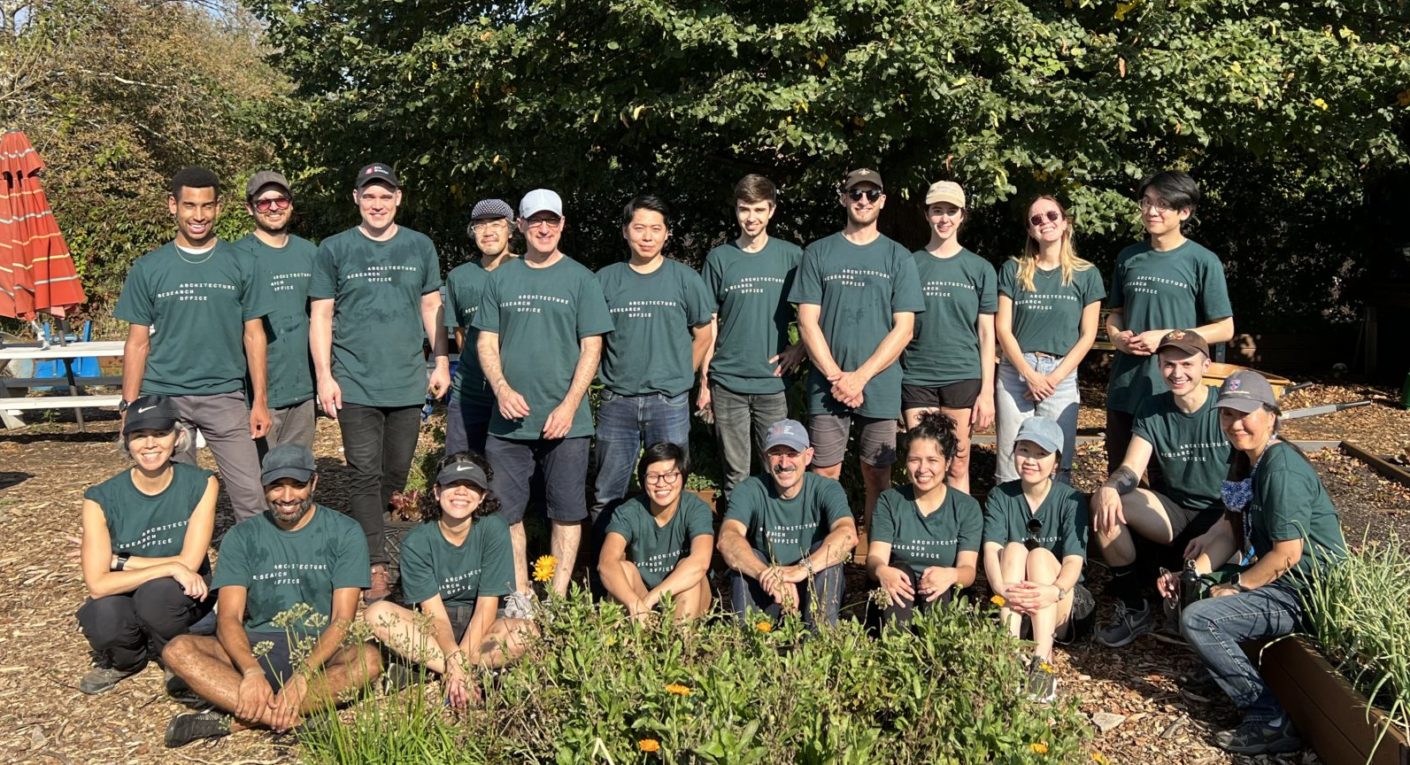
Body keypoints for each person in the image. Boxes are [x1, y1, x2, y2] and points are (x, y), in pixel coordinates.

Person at [160, 444, 381, 748]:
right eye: (277, 486)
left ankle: (237, 720)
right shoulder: (243, 536)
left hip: (321, 650)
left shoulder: (344, 532)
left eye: (297, 485)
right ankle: (296, 715)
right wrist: (251, 670)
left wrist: (304, 674)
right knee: (177, 651)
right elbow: (228, 617)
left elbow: (343, 619)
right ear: (263, 486)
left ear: (314, 483)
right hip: (257, 644)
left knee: (369, 660)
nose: (287, 496)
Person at [1172, 370, 1346, 755]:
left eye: (1245, 413)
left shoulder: (1280, 468)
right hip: (1283, 581)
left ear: (1271, 415)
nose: (1235, 423)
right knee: (1198, 589)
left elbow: (1288, 554)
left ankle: (1268, 718)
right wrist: (1191, 575)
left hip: (1307, 590)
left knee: (1201, 619)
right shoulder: (1250, 462)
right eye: (1227, 414)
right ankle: (1222, 671)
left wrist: (1237, 586)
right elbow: (1233, 532)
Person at [309, 162, 451, 603]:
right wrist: (324, 376)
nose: (377, 203)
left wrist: (442, 361)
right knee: (363, 473)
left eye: (385, 195)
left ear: (398, 198)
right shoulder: (334, 249)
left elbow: (432, 308)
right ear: (356, 199)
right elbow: (322, 316)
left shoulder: (419, 246)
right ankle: (373, 565)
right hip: (354, 382)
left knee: (395, 471)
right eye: (369, 196)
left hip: (407, 381)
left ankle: (388, 540)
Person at [475, 189, 614, 597]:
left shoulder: (581, 279)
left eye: (551, 220)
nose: (543, 227)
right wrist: (500, 389)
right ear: (519, 225)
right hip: (508, 422)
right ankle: (520, 598)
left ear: (562, 224)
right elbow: (486, 342)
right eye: (535, 220)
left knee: (568, 513)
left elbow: (592, 347)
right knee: (505, 513)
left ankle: (555, 600)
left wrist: (570, 406)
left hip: (566, 423)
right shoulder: (500, 278)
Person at [114, 166, 273, 523]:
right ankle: (185, 573)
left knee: (250, 495)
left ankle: (259, 572)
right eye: (189, 205)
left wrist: (259, 401)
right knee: (176, 498)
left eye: (206, 206)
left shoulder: (242, 263)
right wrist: (129, 402)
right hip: (164, 398)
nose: (198, 216)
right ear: (173, 205)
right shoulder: (149, 267)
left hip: (225, 395)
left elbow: (254, 334)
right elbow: (137, 342)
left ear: (218, 208)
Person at [789, 168, 924, 562]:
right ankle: (820, 561)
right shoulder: (818, 252)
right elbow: (807, 320)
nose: (863, 200)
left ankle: (872, 562)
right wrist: (836, 376)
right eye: (855, 193)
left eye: (871, 194)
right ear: (844, 198)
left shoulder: (898, 256)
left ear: (883, 200)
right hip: (826, 387)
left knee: (877, 477)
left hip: (879, 386)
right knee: (823, 476)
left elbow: (905, 328)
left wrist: (861, 376)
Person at [364, 452, 536, 708]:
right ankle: (463, 670)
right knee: (376, 613)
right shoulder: (417, 541)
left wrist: (460, 661)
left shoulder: (493, 528)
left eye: (471, 487)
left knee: (526, 633)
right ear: (436, 492)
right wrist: (456, 658)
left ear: (482, 497)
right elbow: (434, 615)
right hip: (436, 623)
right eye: (453, 485)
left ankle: (432, 669)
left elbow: (487, 606)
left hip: (484, 621)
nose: (461, 492)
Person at [1093, 330, 1231, 647]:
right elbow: (1131, 468)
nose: (1177, 372)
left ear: (1206, 365)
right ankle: (1132, 604)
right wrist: (1110, 486)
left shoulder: (1224, 407)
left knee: (1192, 609)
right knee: (1110, 503)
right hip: (1175, 511)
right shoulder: (1153, 408)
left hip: (1222, 518)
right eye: (1169, 364)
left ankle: (1194, 605)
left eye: (1187, 364)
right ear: (1159, 366)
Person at [75, 396, 216, 695]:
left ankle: (179, 659)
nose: (150, 444)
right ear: (127, 442)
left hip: (180, 590)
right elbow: (98, 585)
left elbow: (189, 564)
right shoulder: (100, 498)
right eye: (139, 436)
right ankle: (126, 661)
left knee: (156, 596)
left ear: (178, 437)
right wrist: (168, 565)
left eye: (160, 433)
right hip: (130, 587)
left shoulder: (201, 483)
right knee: (101, 615)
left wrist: (119, 561)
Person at [592, 195, 713, 521]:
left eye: (655, 229)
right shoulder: (604, 280)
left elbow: (704, 333)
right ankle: (608, 567)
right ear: (624, 231)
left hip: (669, 402)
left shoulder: (685, 279)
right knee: (608, 491)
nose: (647, 236)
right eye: (640, 228)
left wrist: (682, 375)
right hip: (618, 401)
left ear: (667, 234)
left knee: (670, 485)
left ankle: (670, 565)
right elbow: (591, 340)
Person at [1105, 171, 1234, 473]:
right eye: (1146, 202)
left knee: (1168, 483)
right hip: (1126, 387)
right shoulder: (1128, 257)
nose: (1151, 211)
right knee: (1121, 477)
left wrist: (1168, 336)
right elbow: (1116, 313)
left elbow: (1225, 327)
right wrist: (1116, 337)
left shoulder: (1203, 261)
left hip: (1173, 390)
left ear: (1184, 211)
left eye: (1162, 204)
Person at [698, 174, 806, 498]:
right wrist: (705, 380)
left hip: (772, 381)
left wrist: (800, 349)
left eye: (759, 209)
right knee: (736, 474)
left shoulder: (792, 258)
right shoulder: (719, 259)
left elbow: (816, 312)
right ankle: (737, 544)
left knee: (778, 468)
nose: (751, 217)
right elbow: (709, 323)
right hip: (727, 381)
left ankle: (771, 544)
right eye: (745, 209)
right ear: (736, 210)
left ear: (771, 210)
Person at [994, 195, 1104, 484]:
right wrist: (1029, 374)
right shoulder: (1013, 270)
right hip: (1016, 373)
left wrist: (1052, 378)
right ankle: (1008, 526)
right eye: (1036, 219)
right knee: (1011, 458)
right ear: (1030, 230)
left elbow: (1088, 334)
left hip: (1062, 374)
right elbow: (1003, 328)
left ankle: (1056, 525)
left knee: (1059, 460)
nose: (1045, 222)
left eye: (1052, 215)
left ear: (1065, 222)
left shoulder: (1087, 274)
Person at [982, 417, 1089, 703]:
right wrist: (1000, 588)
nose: (1031, 460)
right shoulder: (1000, 496)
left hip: (1060, 603)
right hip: (1013, 601)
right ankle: (1009, 652)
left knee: (1040, 556)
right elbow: (991, 549)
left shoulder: (1072, 500)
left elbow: (1073, 562)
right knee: (1014, 549)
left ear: (1056, 463)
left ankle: (1042, 661)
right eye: (1024, 450)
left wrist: (1051, 591)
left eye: (1041, 454)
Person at [899, 181, 996, 494]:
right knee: (922, 463)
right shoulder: (908, 264)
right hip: (916, 376)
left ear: (962, 216)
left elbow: (986, 332)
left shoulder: (980, 269)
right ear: (927, 215)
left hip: (962, 376)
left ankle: (960, 540)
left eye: (951, 211)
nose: (944, 218)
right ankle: (921, 536)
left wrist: (986, 392)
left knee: (956, 463)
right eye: (937, 210)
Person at [718, 419, 858, 627]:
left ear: (808, 456)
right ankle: (749, 643)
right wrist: (767, 575)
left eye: (792, 454)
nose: (784, 463)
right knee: (745, 562)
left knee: (827, 555)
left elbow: (847, 535)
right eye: (777, 453)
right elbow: (727, 539)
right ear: (766, 457)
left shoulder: (826, 489)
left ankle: (820, 640)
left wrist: (800, 571)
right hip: (768, 590)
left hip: (812, 588)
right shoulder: (750, 489)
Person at [868, 411, 981, 625]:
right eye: (914, 460)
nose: (922, 469)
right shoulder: (890, 501)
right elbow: (875, 557)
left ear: (947, 463)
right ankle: (896, 644)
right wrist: (882, 570)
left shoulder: (967, 507)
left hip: (942, 592)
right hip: (897, 594)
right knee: (897, 571)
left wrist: (951, 575)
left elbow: (968, 570)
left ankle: (936, 645)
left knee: (939, 583)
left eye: (932, 460)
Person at [237, 170, 318, 454]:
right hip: (255, 393)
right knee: (259, 480)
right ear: (250, 208)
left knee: (295, 475)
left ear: (291, 204)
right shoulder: (235, 256)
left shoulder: (310, 253)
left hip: (303, 388)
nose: (273, 207)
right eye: (263, 202)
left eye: (280, 201)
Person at [598, 442, 714, 621]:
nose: (661, 483)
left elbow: (701, 561)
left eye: (670, 475)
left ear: (682, 476)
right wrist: (635, 603)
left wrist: (652, 599)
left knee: (689, 572)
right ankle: (631, 642)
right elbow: (606, 563)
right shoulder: (628, 512)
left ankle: (681, 643)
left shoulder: (696, 509)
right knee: (624, 569)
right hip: (640, 597)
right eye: (653, 476)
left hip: (682, 596)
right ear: (643, 479)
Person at [444, 199, 518, 455]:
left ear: (511, 229)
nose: (488, 232)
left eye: (496, 224)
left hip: (518, 390)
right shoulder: (459, 277)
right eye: (479, 225)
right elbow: (460, 334)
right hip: (471, 392)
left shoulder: (527, 270)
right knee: (461, 465)